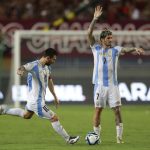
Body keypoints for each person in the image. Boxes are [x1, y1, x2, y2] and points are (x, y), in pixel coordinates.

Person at [87, 5, 144, 144]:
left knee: (117, 111)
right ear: (102, 40)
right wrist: (94, 19)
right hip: (99, 86)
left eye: (111, 38)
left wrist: (134, 48)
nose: (111, 40)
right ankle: (96, 137)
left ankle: (119, 139)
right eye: (108, 38)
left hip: (113, 86)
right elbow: (89, 34)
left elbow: (126, 49)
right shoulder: (96, 48)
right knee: (98, 110)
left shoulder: (116, 50)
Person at [0, 48, 79, 144]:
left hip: (33, 100)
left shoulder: (47, 67)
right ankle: (68, 139)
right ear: (48, 58)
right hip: (36, 102)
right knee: (54, 117)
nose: (54, 61)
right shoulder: (34, 65)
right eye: (53, 59)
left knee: (26, 115)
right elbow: (22, 67)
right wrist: (20, 71)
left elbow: (49, 81)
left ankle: (3, 110)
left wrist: (55, 96)